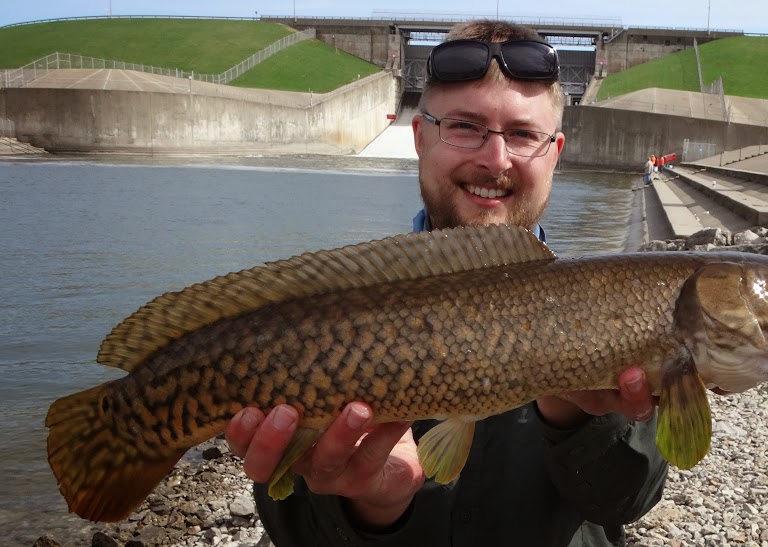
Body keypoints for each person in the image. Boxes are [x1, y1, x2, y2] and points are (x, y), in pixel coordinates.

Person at [225, 19, 668, 547]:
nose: (495, 159)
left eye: (523, 134)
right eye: (464, 127)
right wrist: (369, 505)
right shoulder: (328, 315)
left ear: (555, 152)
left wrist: (575, 415)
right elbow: (291, 527)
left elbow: (628, 500)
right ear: (419, 137)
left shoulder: (617, 312)